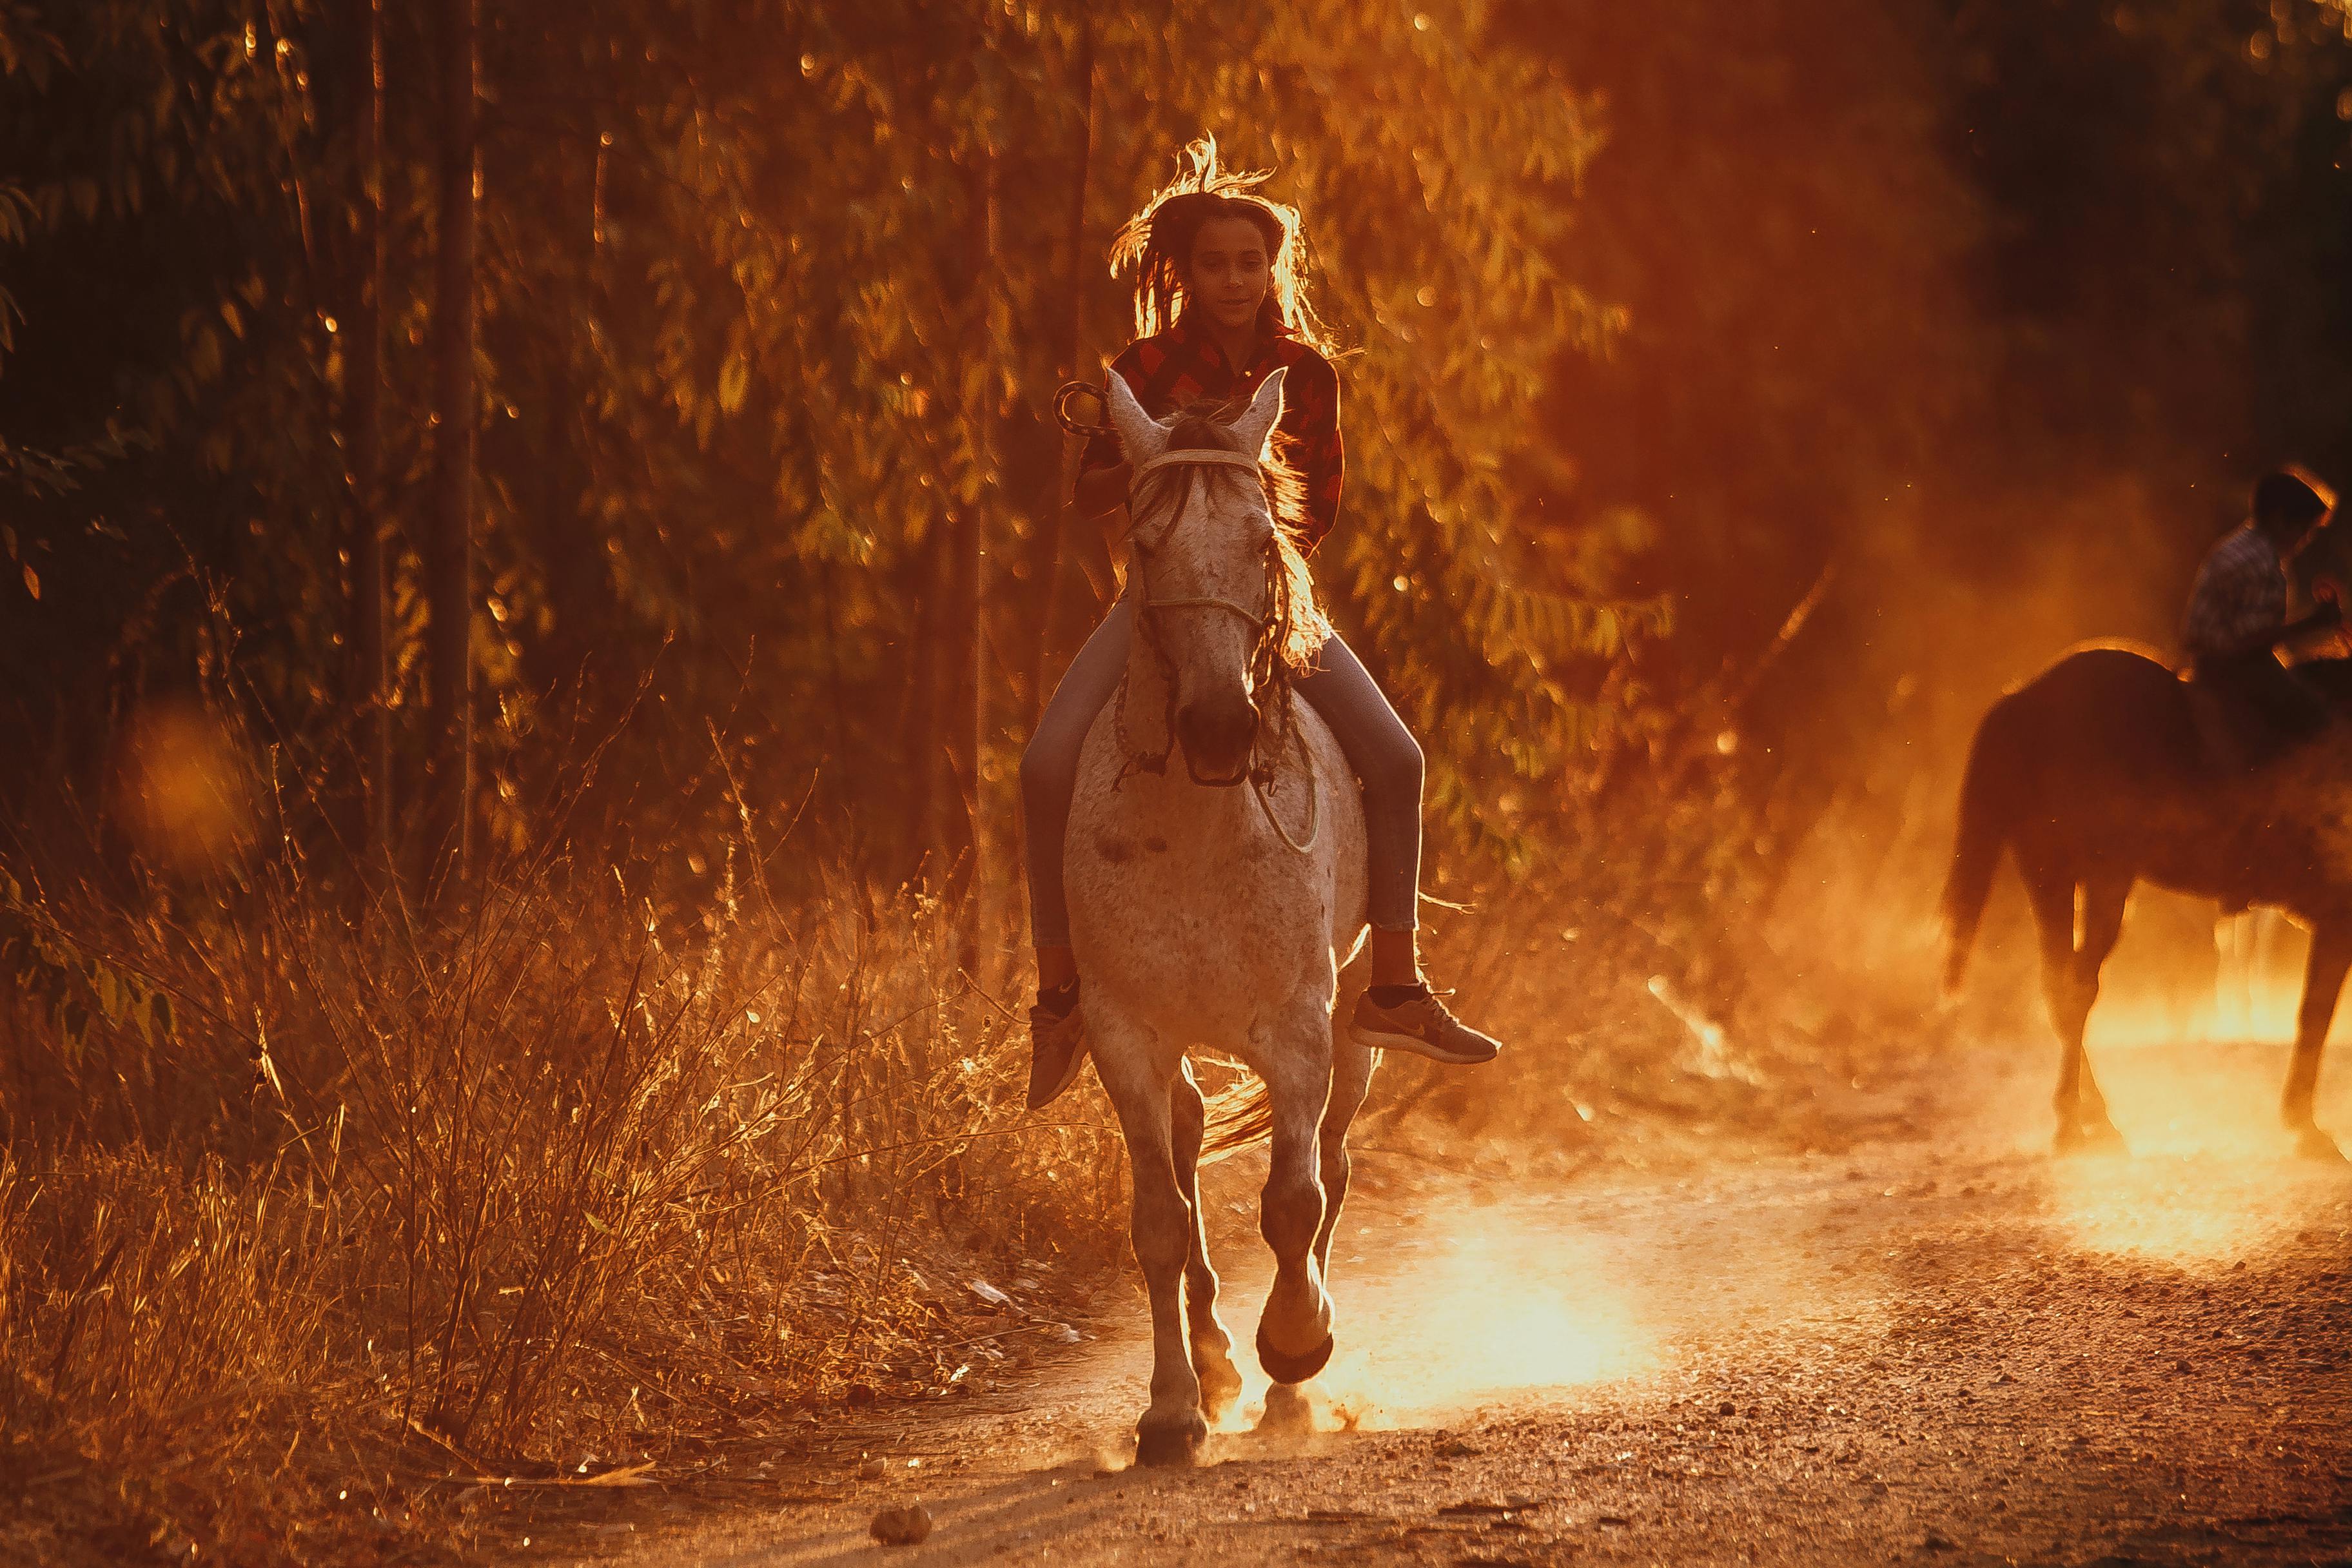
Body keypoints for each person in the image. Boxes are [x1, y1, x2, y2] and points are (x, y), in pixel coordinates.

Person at [1018, 142, 1505, 1110]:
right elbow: (1089, 498)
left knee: (1397, 758)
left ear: (1272, 271)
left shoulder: (1306, 374)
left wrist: (1243, 553)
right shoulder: (1141, 369)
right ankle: (1062, 992)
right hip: (1154, 607)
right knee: (1043, 764)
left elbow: (1318, 506)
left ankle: (1395, 986)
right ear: (1185, 274)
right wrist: (1152, 472)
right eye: (1215, 264)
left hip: (1271, 599)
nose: (1234, 279)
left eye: (1251, 263)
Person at [2182, 466, 2341, 763]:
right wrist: (2315, 623)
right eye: (2305, 529)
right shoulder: (2263, 562)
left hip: (2210, 659)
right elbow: (2253, 641)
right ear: (2281, 520)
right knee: (2319, 721)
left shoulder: (2238, 545)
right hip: (2233, 666)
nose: (2305, 540)